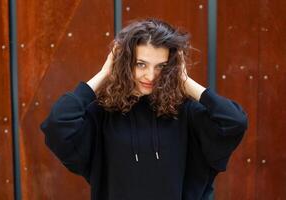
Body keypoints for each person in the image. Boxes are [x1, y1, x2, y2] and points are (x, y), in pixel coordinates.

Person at [40, 18, 248, 200]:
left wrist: (184, 81)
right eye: (141, 64)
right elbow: (58, 123)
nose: (150, 76)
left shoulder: (184, 111)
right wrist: (104, 74)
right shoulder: (104, 113)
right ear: (125, 63)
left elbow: (233, 122)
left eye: (161, 66)